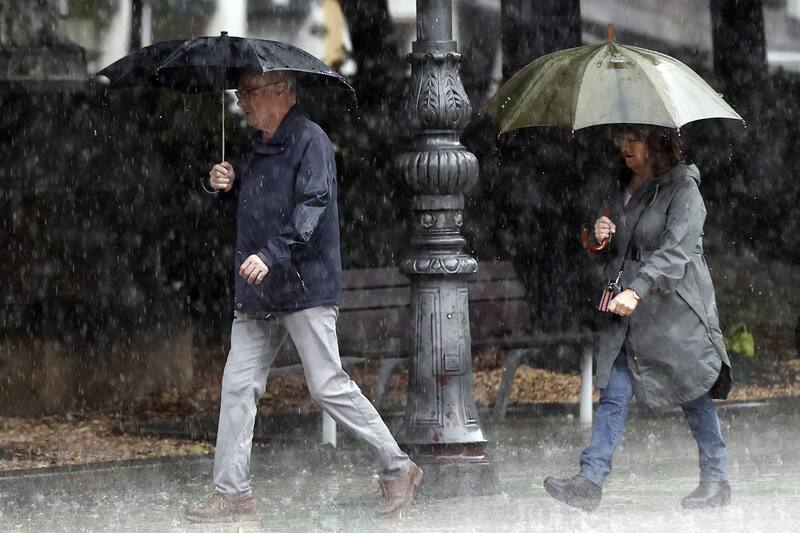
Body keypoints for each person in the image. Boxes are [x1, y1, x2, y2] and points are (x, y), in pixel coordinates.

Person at [184, 70, 422, 523]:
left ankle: (398, 467)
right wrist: (226, 187)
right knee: (236, 388)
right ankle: (232, 493)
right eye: (239, 94)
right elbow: (255, 212)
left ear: (280, 94)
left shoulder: (310, 140)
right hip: (259, 291)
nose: (241, 102)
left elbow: (311, 208)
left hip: (304, 286)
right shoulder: (256, 147)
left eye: (248, 93)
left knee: (327, 385)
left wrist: (272, 255)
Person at [543, 125, 733, 512]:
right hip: (627, 312)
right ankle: (590, 480)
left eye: (634, 138)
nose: (624, 147)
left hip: (674, 311)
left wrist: (638, 288)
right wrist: (600, 235)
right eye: (620, 138)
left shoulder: (684, 191)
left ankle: (716, 479)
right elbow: (614, 245)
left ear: (658, 142)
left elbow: (675, 253)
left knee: (693, 391)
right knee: (614, 392)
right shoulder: (620, 185)